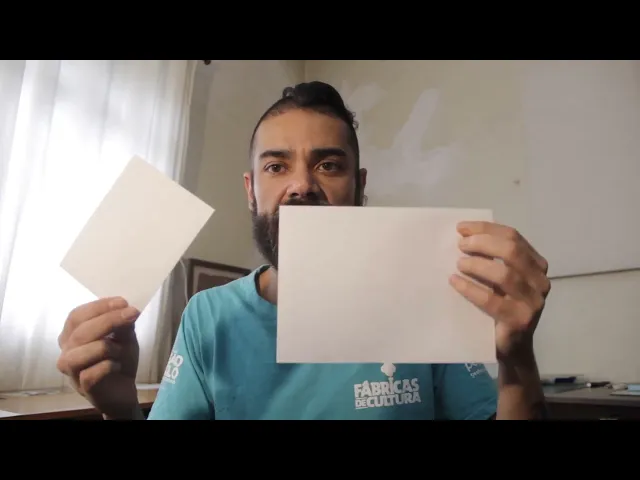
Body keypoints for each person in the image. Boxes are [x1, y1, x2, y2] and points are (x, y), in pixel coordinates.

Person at [56, 81, 551, 420]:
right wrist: (120, 410)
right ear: (251, 191)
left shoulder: (424, 300)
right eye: (276, 167)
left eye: (328, 165)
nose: (301, 186)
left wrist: (518, 365)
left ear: (359, 187)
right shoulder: (208, 316)